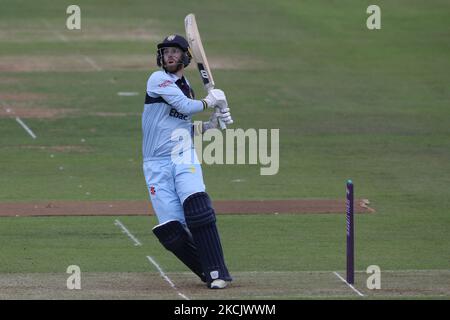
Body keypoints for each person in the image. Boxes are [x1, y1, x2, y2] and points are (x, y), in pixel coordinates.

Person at [142, 34, 233, 289]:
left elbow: (181, 125)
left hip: (183, 154)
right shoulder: (158, 80)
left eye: (175, 51)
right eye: (166, 51)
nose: (170, 55)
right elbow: (184, 107)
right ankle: (207, 271)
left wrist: (208, 126)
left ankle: (217, 273)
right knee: (172, 231)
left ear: (185, 56)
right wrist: (210, 101)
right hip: (155, 163)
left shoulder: (187, 88)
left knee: (197, 209)